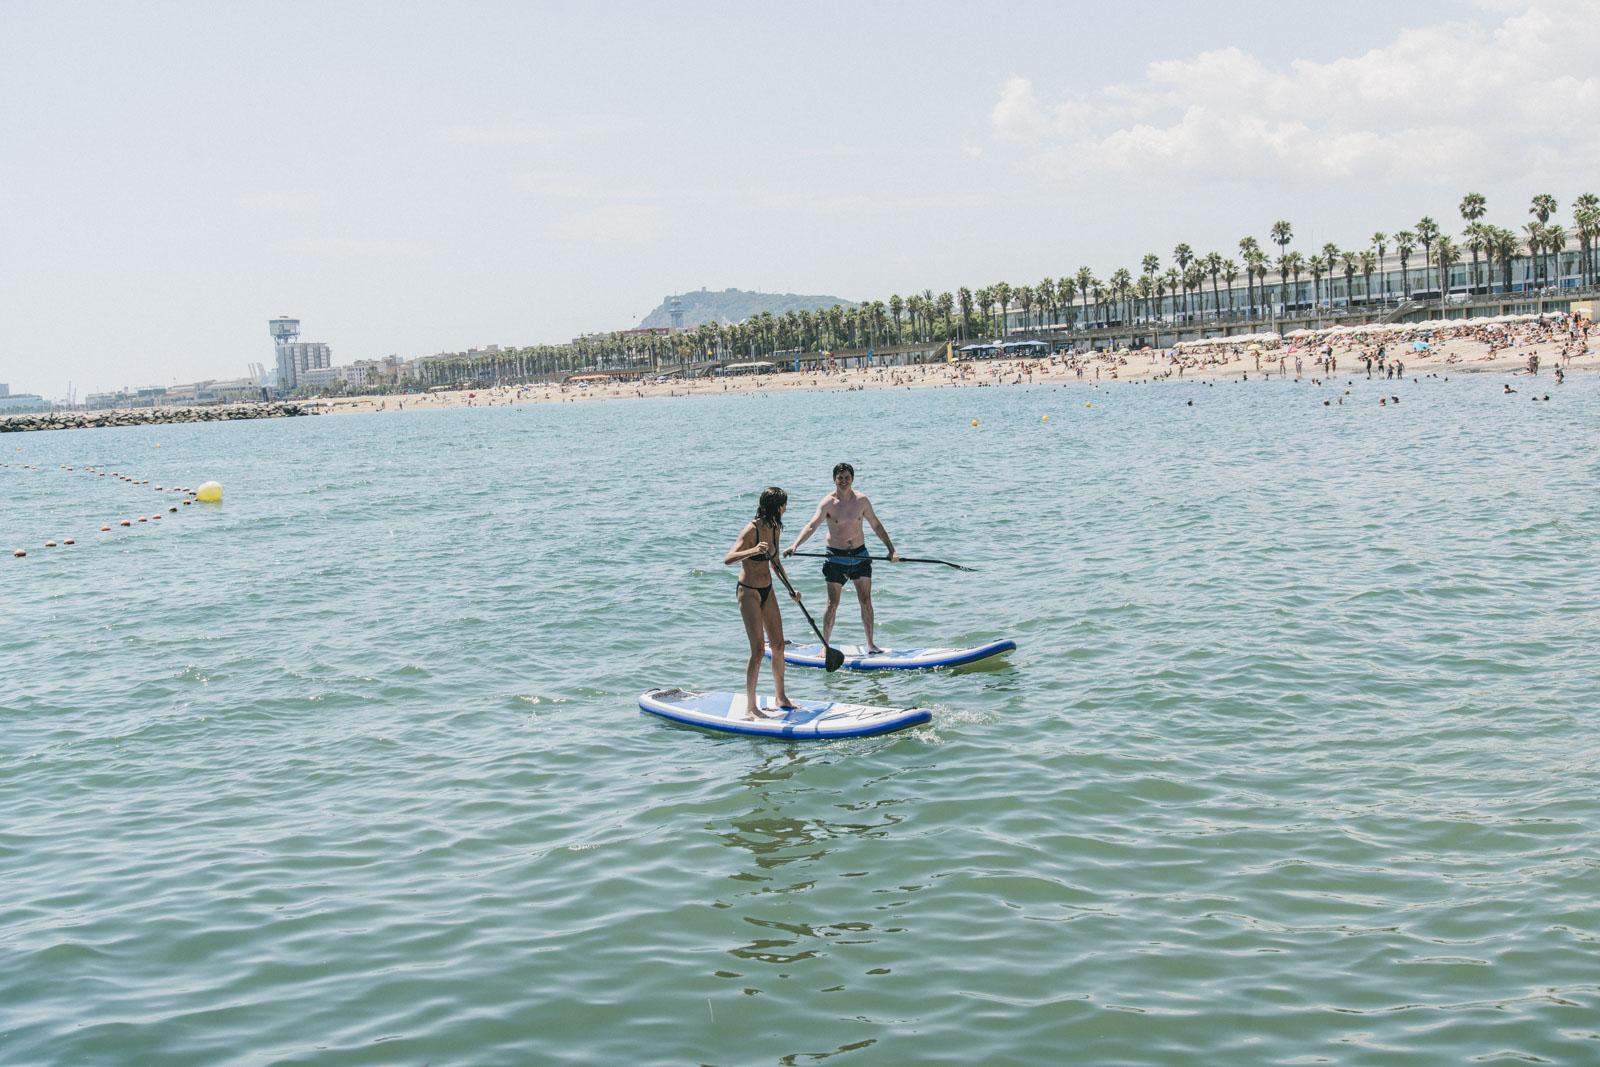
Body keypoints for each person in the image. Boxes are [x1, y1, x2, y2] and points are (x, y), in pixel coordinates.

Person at [784, 463, 899, 652]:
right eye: (840, 478)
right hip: (836, 558)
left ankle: (870, 644)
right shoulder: (828, 503)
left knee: (866, 600)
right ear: (834, 479)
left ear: (852, 479)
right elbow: (812, 525)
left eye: (847, 477)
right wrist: (795, 545)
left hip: (860, 555)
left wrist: (891, 550)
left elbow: (876, 525)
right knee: (832, 604)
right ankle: (825, 646)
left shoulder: (862, 501)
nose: (844, 481)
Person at [724, 486, 801, 719]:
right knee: (758, 651)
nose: (786, 509)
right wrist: (753, 550)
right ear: (776, 507)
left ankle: (781, 697)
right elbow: (728, 559)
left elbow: (775, 562)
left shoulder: (775, 528)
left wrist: (791, 589)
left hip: (768, 590)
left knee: (778, 645)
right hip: (748, 592)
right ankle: (751, 707)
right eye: (784, 505)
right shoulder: (752, 529)